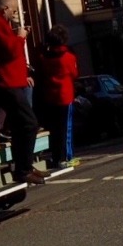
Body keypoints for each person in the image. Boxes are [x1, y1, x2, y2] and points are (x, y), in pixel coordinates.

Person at [0, 0, 46, 184]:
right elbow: (10, 50)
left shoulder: (2, 24)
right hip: (8, 83)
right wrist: (21, 37)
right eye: (12, 9)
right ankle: (23, 169)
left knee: (21, 126)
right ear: (4, 8)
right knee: (29, 123)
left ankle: (25, 166)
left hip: (15, 81)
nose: (14, 13)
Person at [35, 24, 79, 170]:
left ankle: (56, 156)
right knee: (66, 129)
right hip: (65, 96)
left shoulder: (44, 58)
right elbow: (74, 74)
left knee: (55, 129)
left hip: (50, 95)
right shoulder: (68, 57)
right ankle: (66, 157)